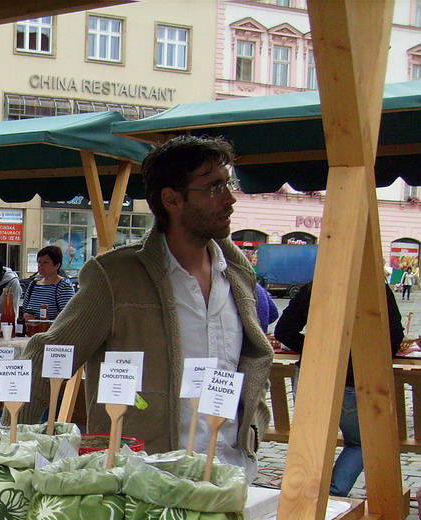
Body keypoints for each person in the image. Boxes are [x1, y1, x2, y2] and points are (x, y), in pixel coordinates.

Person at [18, 135, 273, 481]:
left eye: (229, 184)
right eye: (214, 188)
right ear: (172, 199)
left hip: (231, 473)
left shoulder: (237, 272)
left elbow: (253, 362)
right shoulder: (116, 275)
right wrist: (12, 451)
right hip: (146, 481)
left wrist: (253, 428)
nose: (229, 199)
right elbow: (47, 358)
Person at [274, 282, 403, 496]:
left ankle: (302, 495)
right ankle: (333, 493)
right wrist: (361, 356)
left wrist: (317, 348)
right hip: (353, 377)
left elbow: (284, 331)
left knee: (309, 440)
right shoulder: (374, 287)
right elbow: (394, 338)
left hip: (312, 374)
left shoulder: (316, 286)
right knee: (359, 442)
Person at [21, 245, 75, 321]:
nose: (41, 265)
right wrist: (26, 316)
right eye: (39, 262)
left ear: (57, 266)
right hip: (32, 327)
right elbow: (25, 309)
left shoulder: (63, 286)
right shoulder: (33, 285)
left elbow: (69, 316)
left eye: (45, 262)